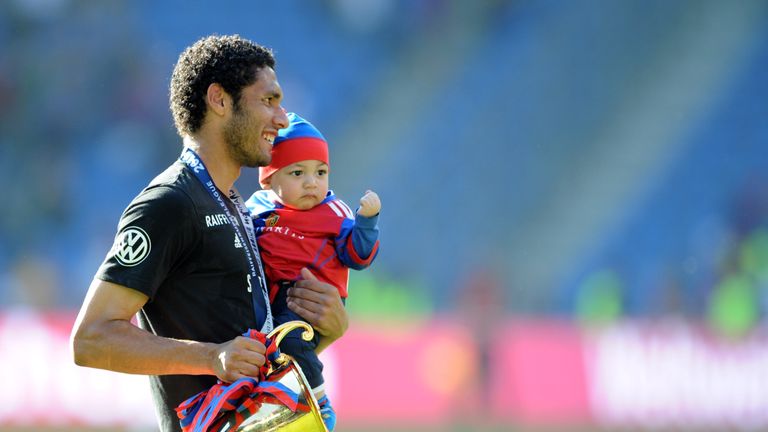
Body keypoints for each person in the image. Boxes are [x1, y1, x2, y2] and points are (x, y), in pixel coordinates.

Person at [69, 35, 348, 432]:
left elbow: (243, 352)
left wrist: (325, 333)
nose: (282, 118)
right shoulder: (168, 203)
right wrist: (211, 357)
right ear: (219, 100)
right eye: (267, 100)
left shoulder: (237, 204)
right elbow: (91, 338)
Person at [245, 112, 381, 425]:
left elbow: (358, 256)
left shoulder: (334, 211)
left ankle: (318, 400)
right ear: (270, 178)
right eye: (297, 173)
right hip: (272, 301)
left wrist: (367, 222)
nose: (312, 182)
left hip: (312, 302)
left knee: (291, 342)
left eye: (320, 172)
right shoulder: (258, 209)